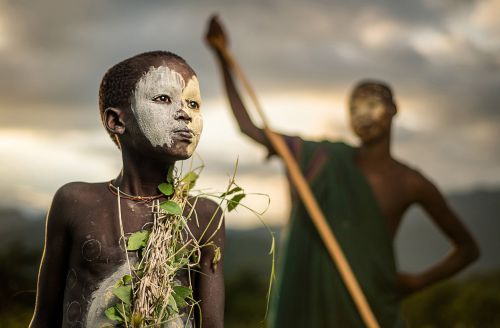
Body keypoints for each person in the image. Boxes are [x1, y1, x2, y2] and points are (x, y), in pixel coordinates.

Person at [205, 16, 479, 327]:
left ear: (394, 109)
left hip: (372, 304)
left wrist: (417, 283)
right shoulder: (320, 158)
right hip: (309, 301)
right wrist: (223, 57)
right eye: (355, 107)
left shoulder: (411, 183)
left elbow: (468, 249)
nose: (365, 113)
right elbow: (249, 127)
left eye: (374, 103)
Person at [30, 51, 225, 328]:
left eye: (193, 104)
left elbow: (212, 325)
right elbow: (44, 318)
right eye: (163, 99)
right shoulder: (76, 202)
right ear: (117, 121)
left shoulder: (204, 216)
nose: (185, 114)